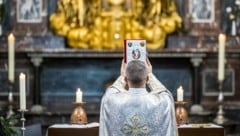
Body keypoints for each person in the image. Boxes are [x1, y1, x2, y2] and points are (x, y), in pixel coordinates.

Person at [99, 59, 178, 136]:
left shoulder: (112, 101)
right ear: (147, 79)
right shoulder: (161, 102)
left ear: (126, 79)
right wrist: (150, 75)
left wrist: (122, 75)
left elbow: (109, 93)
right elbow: (165, 93)